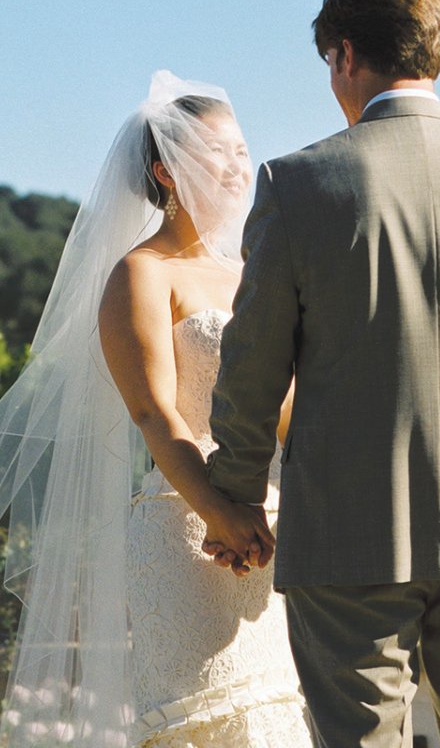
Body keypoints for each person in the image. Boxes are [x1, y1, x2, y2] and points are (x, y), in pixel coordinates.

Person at [200, 0, 440, 748]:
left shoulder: (297, 185)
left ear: (343, 54)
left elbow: (254, 362)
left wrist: (232, 492)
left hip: (347, 524)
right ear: (435, 50)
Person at [0, 71, 311, 747]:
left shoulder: (252, 272)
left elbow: (289, 408)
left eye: (239, 151)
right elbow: (155, 414)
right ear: (166, 172)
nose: (236, 167)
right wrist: (221, 511)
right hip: (185, 528)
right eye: (214, 153)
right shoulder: (140, 274)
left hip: (272, 533)